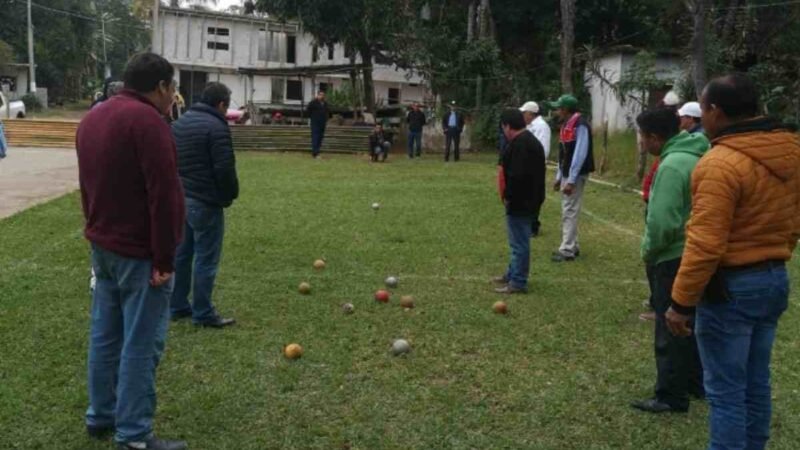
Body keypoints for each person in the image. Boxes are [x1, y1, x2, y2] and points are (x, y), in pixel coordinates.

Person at [666, 74, 800, 450]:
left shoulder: (720, 163)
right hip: (774, 278)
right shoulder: (791, 151)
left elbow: (705, 245)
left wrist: (680, 302)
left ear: (715, 112)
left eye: (703, 108)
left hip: (731, 289)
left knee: (725, 393)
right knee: (756, 382)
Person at [77, 52, 187, 450]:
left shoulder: (92, 118)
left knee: (105, 335)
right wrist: (164, 258)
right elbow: (166, 197)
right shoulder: (150, 124)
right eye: (172, 88)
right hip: (140, 255)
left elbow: (86, 185)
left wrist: (93, 229)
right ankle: (134, 434)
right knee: (141, 342)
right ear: (160, 87)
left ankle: (101, 415)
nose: (173, 97)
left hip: (103, 247)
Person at [630, 108, 709, 414]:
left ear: (654, 137)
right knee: (692, 322)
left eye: (641, 136)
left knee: (670, 324)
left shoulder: (672, 165)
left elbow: (662, 222)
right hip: (696, 252)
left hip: (673, 256)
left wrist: (649, 251)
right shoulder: (698, 155)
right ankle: (694, 382)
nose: (641, 142)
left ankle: (670, 395)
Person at [170, 82, 239, 328]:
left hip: (180, 199)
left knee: (182, 254)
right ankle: (202, 312)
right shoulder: (217, 127)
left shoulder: (179, 123)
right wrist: (230, 195)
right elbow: (224, 168)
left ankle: (176, 305)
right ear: (220, 105)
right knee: (206, 258)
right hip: (205, 202)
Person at [492, 109, 546, 294]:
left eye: (503, 127)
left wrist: (508, 197)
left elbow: (517, 177)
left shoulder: (521, 145)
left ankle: (518, 282)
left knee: (519, 243)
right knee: (517, 241)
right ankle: (512, 273)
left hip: (522, 201)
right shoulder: (526, 141)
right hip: (528, 200)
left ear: (507, 126)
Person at [550, 94, 594, 262]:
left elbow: (579, 153)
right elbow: (564, 153)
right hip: (568, 173)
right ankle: (572, 245)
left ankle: (567, 249)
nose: (556, 111)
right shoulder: (568, 125)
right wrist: (559, 175)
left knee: (569, 210)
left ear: (566, 109)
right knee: (568, 208)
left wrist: (571, 180)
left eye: (559, 108)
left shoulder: (580, 125)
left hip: (575, 174)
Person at [520, 101, 551, 237]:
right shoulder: (529, 126)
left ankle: (533, 225)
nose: (522, 116)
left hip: (535, 167)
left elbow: (543, 150)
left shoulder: (541, 127)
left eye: (524, 113)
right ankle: (527, 224)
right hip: (527, 166)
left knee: (535, 196)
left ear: (531, 113)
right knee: (526, 195)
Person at [306, 90, 329, 158]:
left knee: (320, 137)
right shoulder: (313, 103)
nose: (322, 96)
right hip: (315, 123)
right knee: (315, 137)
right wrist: (313, 118)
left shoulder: (325, 103)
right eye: (320, 95)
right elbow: (308, 111)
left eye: (323, 95)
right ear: (318, 95)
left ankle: (317, 151)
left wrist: (326, 119)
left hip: (322, 123)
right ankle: (315, 153)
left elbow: (327, 111)